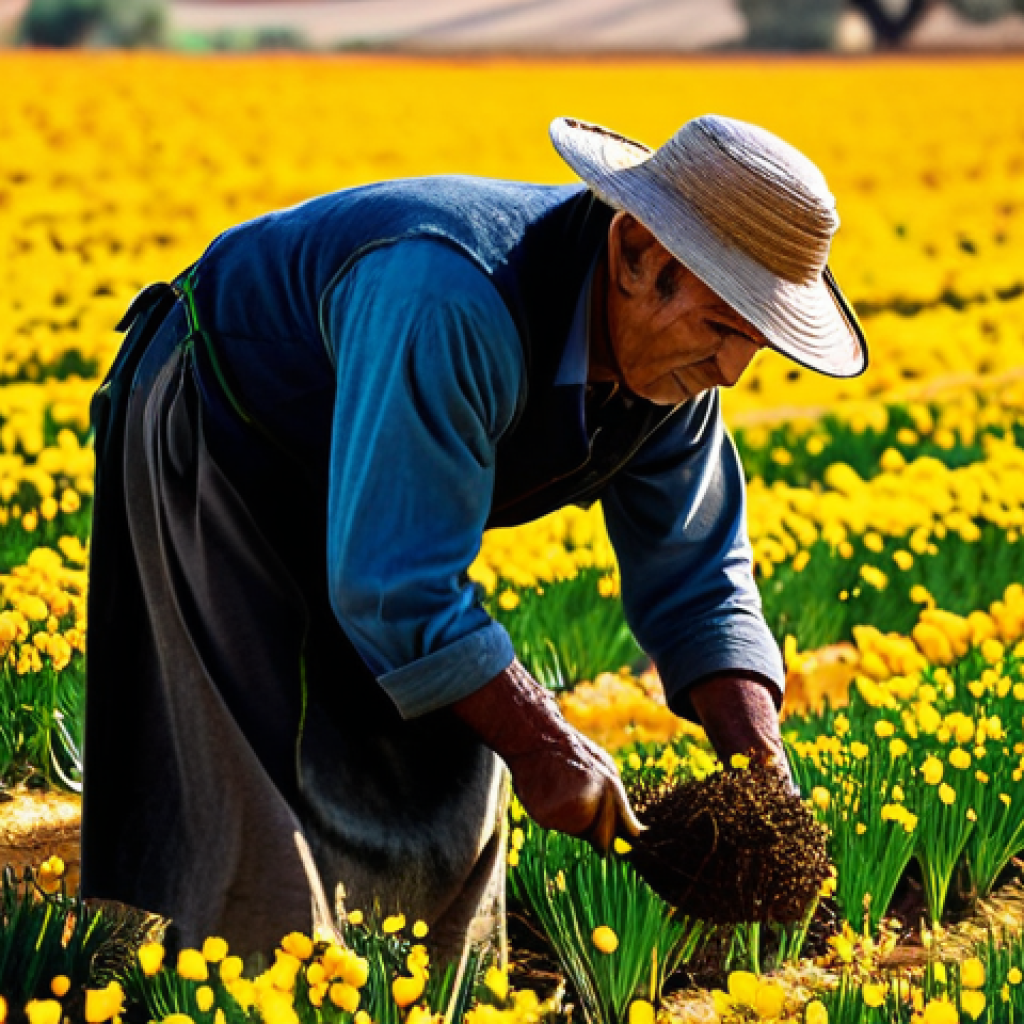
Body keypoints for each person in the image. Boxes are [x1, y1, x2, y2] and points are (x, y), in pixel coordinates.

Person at [81, 114, 867, 961]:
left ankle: (419, 997)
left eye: (755, 342)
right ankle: (241, 987)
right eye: (721, 327)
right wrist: (544, 740)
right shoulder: (454, 296)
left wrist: (763, 775)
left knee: (446, 774)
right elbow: (398, 588)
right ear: (639, 253)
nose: (732, 370)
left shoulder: (671, 378)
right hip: (233, 435)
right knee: (263, 785)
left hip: (377, 484)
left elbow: (701, 581)